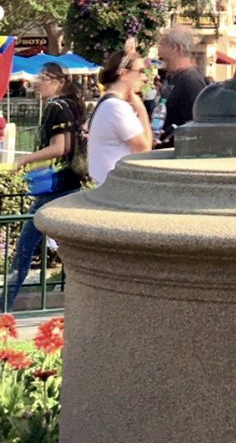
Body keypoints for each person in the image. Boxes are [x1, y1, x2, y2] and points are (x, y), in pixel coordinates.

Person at [7, 63, 84, 309]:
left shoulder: (56, 107)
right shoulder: (73, 104)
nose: (38, 82)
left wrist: (24, 160)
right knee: (71, 247)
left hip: (54, 187)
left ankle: (4, 304)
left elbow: (61, 147)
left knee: (25, 247)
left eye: (45, 78)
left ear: (59, 81)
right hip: (72, 183)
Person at [88, 50, 153, 186]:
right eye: (140, 71)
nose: (144, 78)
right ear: (123, 73)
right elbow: (144, 149)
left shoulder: (107, 102)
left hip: (107, 183)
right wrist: (141, 110)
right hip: (116, 186)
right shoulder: (116, 107)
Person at [156, 27, 207, 146]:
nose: (159, 51)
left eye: (162, 45)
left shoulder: (191, 81)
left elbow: (195, 127)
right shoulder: (172, 78)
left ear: (175, 48)